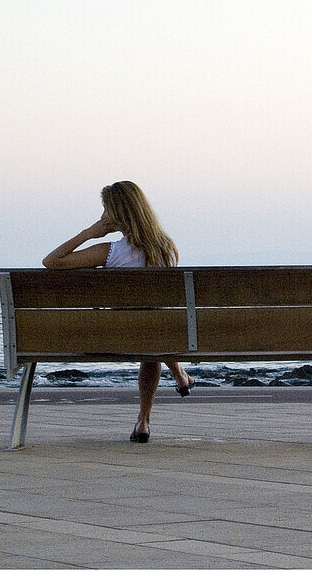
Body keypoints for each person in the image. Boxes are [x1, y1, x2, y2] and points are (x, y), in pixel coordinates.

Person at [42, 181, 192, 443]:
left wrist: (89, 232)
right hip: (155, 335)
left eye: (105, 209)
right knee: (153, 329)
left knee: (148, 331)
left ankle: (170, 386)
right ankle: (149, 413)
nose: (102, 216)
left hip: (115, 336)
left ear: (117, 214)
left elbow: (51, 261)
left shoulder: (110, 252)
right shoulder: (165, 249)